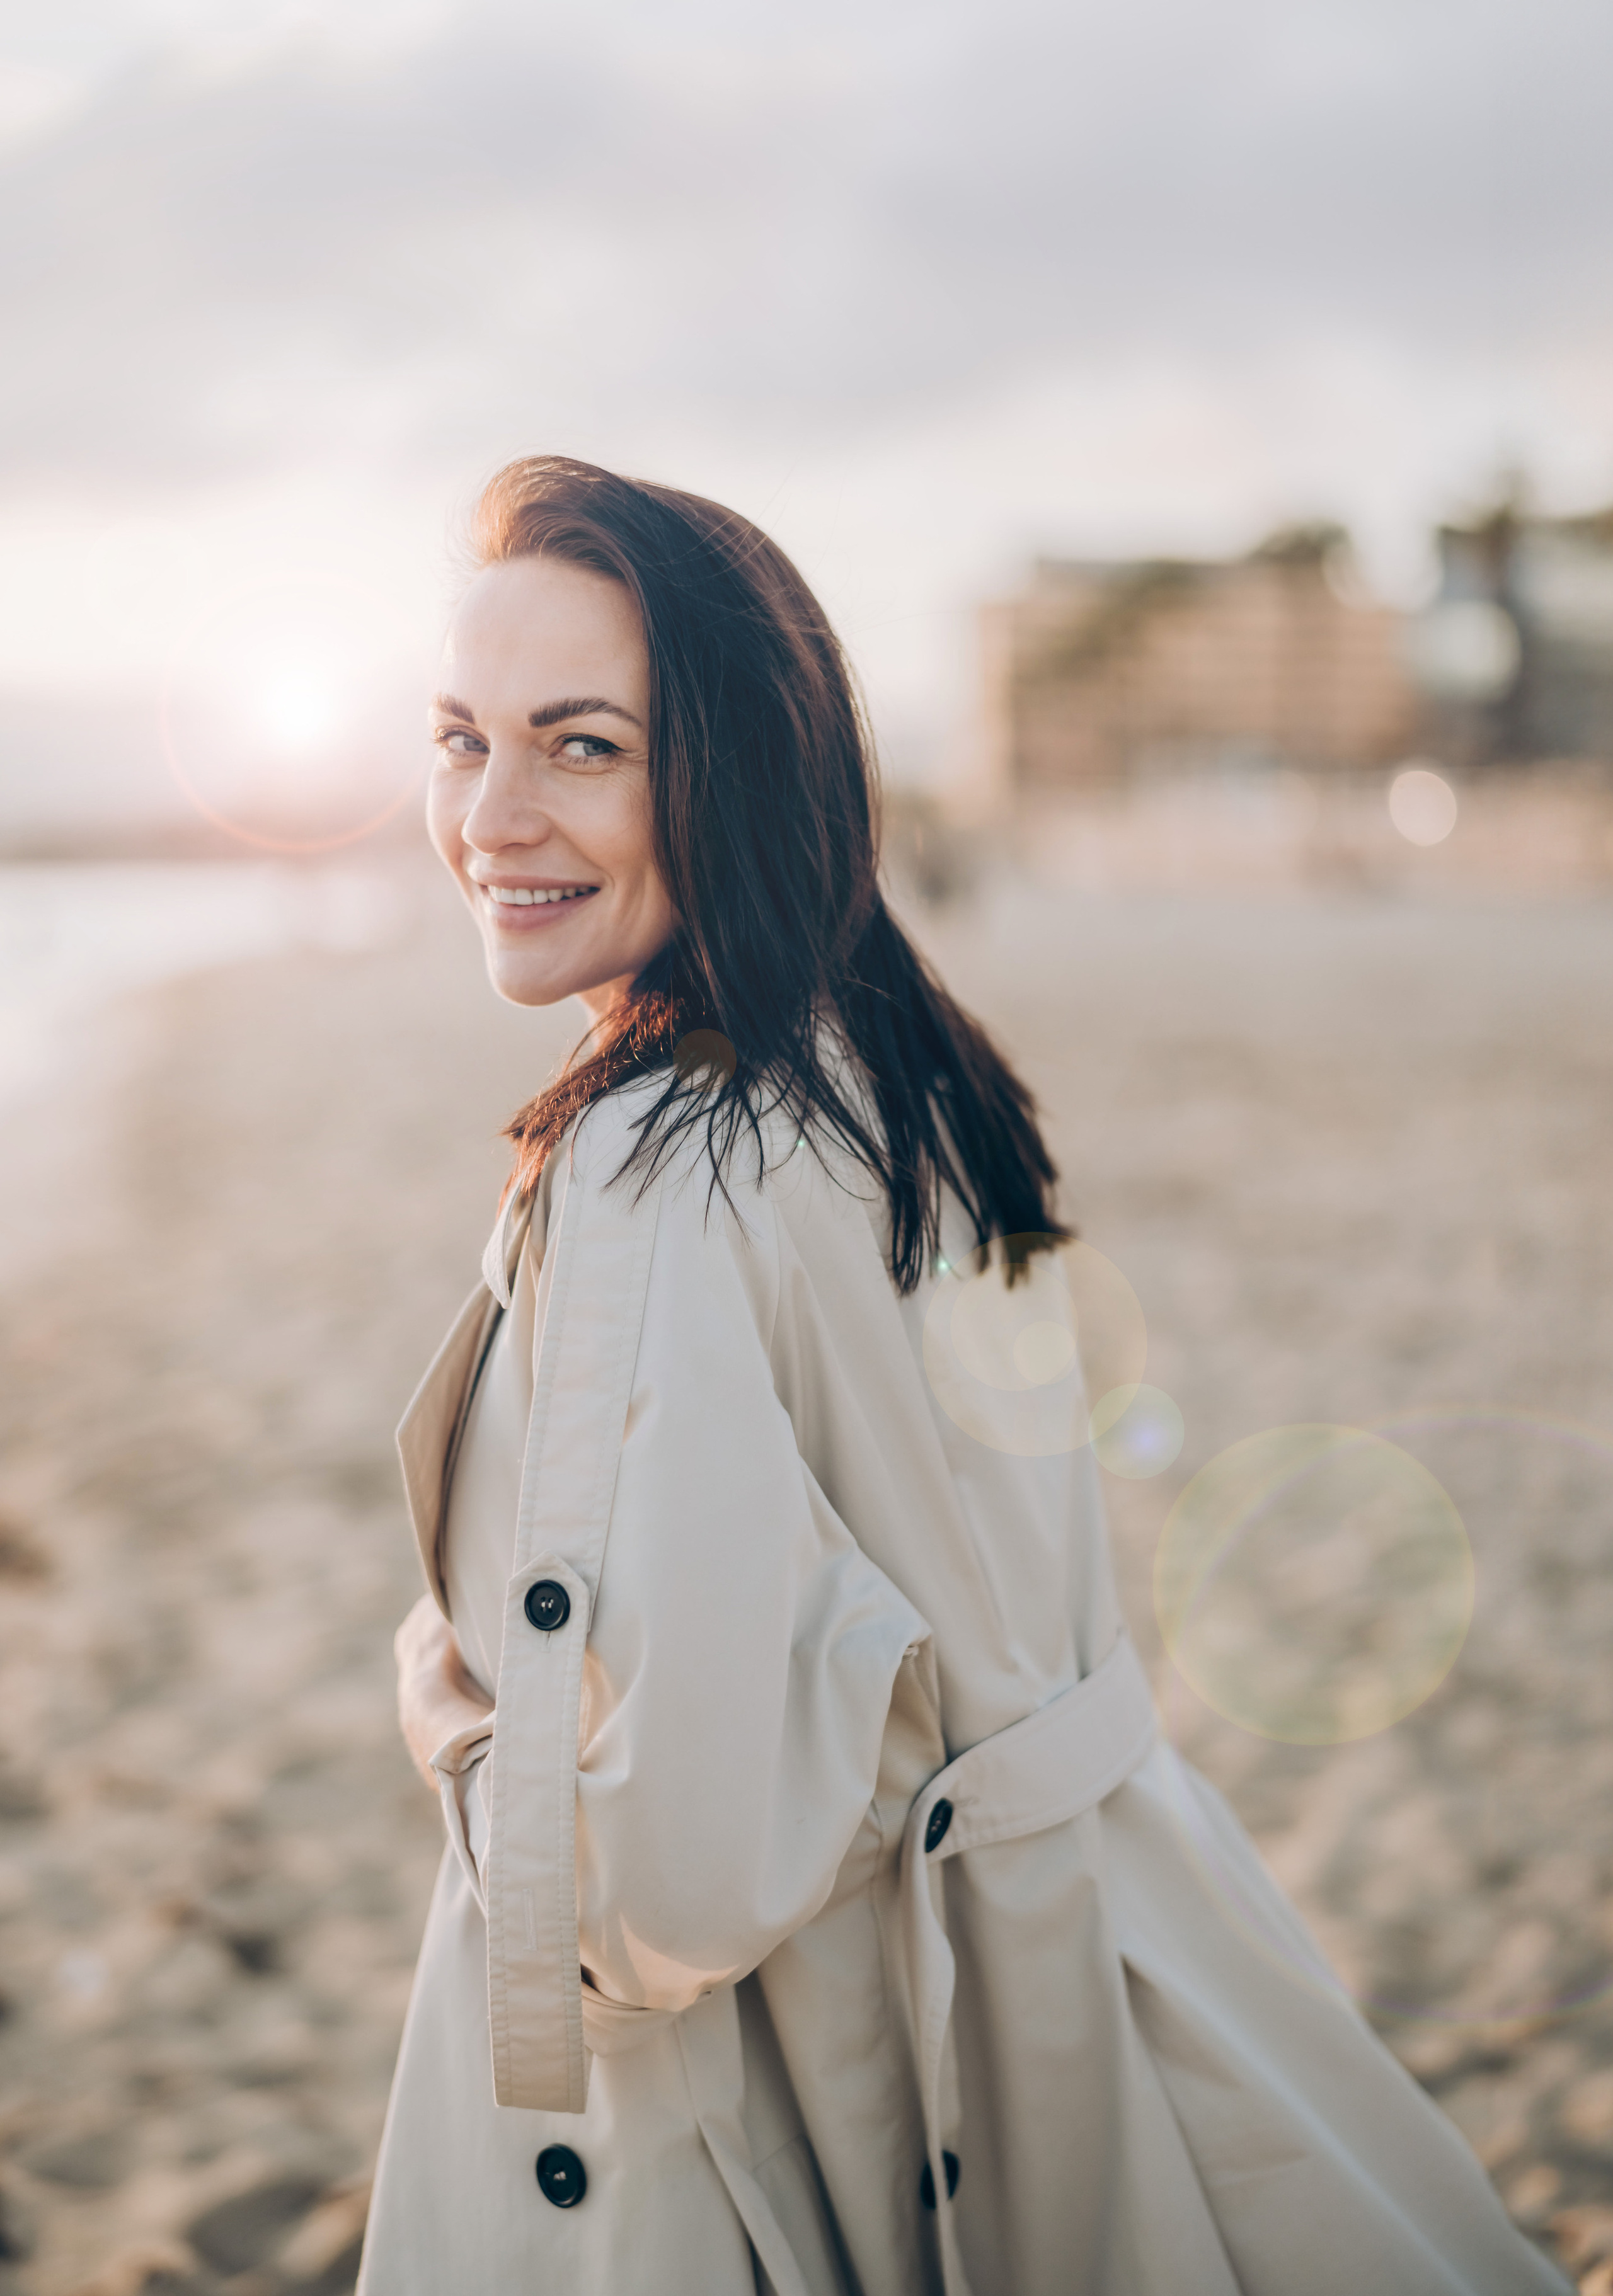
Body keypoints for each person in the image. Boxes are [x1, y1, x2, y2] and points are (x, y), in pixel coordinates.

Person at [357, 455, 1566, 2295]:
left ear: (737, 770)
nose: (492, 815)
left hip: (830, 2104)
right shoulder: (901, 1066)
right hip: (1106, 1979)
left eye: (582, 746)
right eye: (461, 739)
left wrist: (452, 1722)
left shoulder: (656, 1173)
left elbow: (665, 1891)